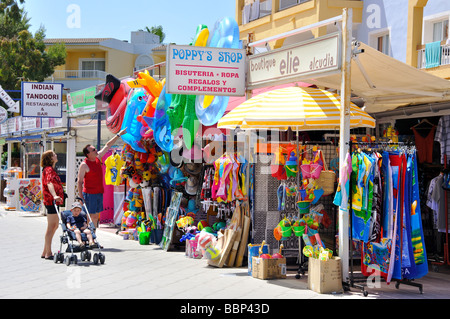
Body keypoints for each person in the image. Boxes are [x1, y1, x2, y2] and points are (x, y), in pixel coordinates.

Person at [77, 129, 126, 228]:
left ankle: (93, 236)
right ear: (88, 154)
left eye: (95, 149)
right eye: (93, 150)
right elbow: (79, 182)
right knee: (90, 216)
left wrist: (118, 134)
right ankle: (88, 236)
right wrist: (81, 197)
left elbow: (107, 145)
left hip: (99, 192)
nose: (96, 150)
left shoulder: (97, 158)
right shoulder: (84, 165)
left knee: (95, 217)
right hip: (89, 194)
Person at [41, 150, 64, 260]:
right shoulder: (49, 170)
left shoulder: (50, 169)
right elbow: (49, 183)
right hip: (51, 201)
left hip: (54, 201)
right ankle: (48, 253)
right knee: (52, 226)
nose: (56, 155)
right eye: (54, 154)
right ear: (50, 158)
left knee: (54, 226)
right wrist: (55, 195)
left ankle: (45, 251)